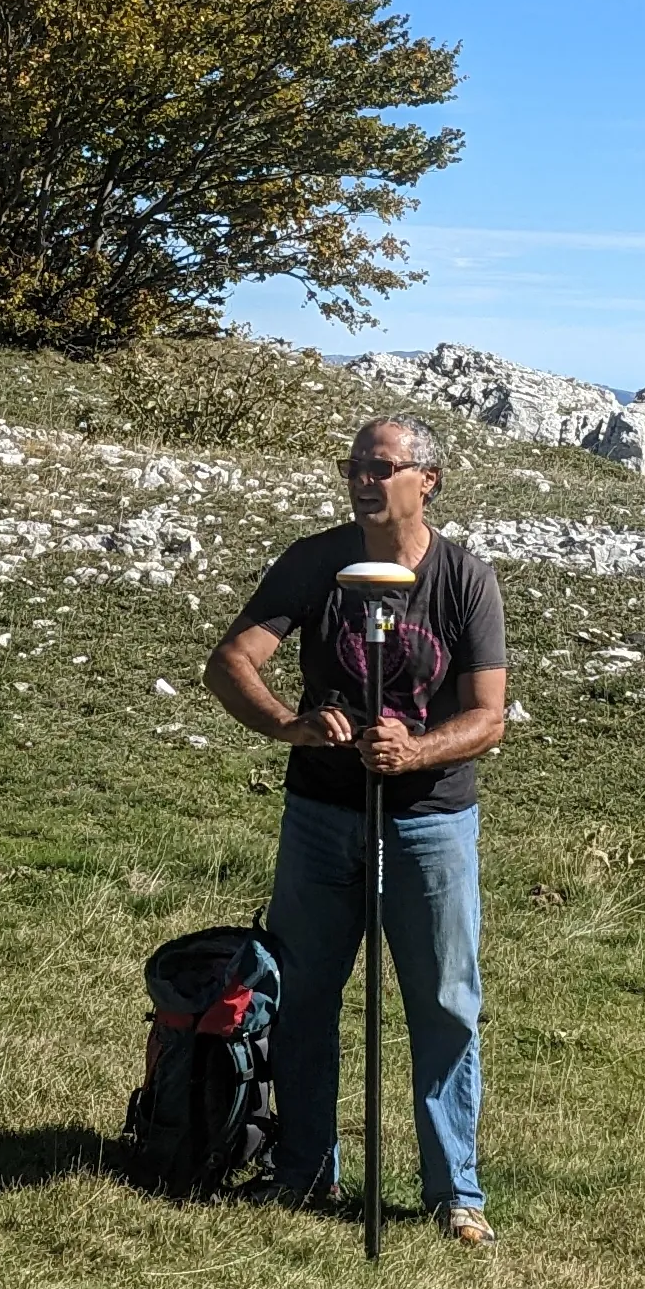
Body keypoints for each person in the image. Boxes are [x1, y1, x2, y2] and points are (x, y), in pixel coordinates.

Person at [202, 414, 510, 1245]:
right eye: (354, 467)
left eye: (381, 468)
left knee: (444, 1004)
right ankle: (304, 1172)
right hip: (320, 819)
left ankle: (456, 1195)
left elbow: (487, 719)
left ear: (428, 479)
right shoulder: (313, 562)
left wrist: (414, 751)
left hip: (430, 826)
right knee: (302, 995)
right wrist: (285, 725)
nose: (363, 480)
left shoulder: (464, 580)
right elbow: (230, 662)